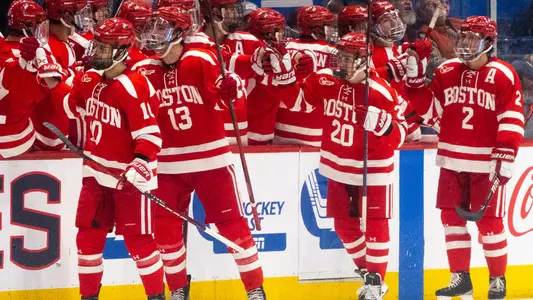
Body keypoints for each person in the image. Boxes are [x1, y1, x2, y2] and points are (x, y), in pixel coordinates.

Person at [134, 6, 266, 300]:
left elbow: (231, 99)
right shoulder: (144, 70)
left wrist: (232, 91)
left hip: (210, 160)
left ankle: (255, 289)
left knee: (232, 224)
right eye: (152, 30)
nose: (153, 37)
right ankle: (179, 289)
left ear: (180, 33)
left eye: (161, 30)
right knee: (166, 231)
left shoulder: (200, 59)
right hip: (166, 165)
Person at [281, 32, 408, 300]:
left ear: (365, 60)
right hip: (336, 167)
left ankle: (375, 281)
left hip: (372, 169)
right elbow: (295, 102)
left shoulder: (381, 92)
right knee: (343, 226)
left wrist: (383, 125)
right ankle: (368, 273)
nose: (342, 63)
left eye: (349, 59)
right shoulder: (326, 79)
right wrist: (288, 77)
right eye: (342, 57)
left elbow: (400, 134)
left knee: (375, 224)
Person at [406, 16, 524, 299]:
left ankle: (497, 279)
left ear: (489, 43)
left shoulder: (504, 74)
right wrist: (415, 79)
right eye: (463, 38)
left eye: (472, 39)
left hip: (485, 163)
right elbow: (431, 112)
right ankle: (461, 277)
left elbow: (512, 117)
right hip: (451, 161)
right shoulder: (447, 71)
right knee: (451, 219)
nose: (465, 44)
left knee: (490, 223)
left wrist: (505, 154)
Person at [65, 18, 165, 300]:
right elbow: (70, 108)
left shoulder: (134, 85)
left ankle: (156, 297)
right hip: (96, 176)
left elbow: (151, 134)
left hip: (130, 179)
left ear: (122, 51)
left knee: (139, 242)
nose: (97, 53)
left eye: (105, 49)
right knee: (87, 239)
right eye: (97, 46)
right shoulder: (93, 79)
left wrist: (140, 162)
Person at [0, 0, 69, 158]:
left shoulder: (3, 51)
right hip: (21, 138)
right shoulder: (40, 56)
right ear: (29, 27)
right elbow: (60, 97)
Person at [274, 5, 335, 147]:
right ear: (315, 28)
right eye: (327, 25)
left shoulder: (284, 47)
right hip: (318, 130)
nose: (331, 29)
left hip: (282, 128)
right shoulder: (334, 52)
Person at [416, 0, 461, 79]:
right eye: (440, 2)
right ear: (427, 7)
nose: (445, 6)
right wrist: (463, 65)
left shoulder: (454, 26)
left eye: (446, 2)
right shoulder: (424, 35)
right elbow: (435, 63)